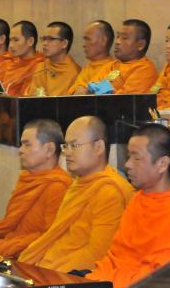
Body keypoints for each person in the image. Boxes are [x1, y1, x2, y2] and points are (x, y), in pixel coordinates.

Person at [87, 124, 170, 288]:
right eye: (128, 156)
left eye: (137, 158)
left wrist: (108, 286)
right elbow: (116, 257)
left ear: (162, 164)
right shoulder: (138, 200)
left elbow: (165, 278)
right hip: (117, 285)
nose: (128, 164)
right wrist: (94, 283)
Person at [18, 116, 134, 273]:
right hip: (49, 265)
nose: (67, 153)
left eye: (74, 145)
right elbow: (59, 237)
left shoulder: (109, 192)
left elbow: (98, 255)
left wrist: (50, 273)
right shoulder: (78, 185)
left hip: (68, 274)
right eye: (66, 146)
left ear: (98, 147)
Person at [0, 119, 71, 257]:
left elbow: (50, 238)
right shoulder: (28, 179)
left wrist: (3, 246)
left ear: (49, 149)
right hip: (12, 248)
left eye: (27, 145)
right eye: (21, 144)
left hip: (32, 258)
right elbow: (11, 225)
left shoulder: (58, 187)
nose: (20, 150)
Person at [27, 22, 81, 96]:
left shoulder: (74, 73)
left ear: (64, 43)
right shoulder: (41, 68)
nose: (45, 43)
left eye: (51, 39)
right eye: (44, 39)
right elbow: (31, 97)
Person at [0, 21, 44, 95]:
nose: (11, 45)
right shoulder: (7, 64)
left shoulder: (40, 67)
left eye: (16, 40)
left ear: (30, 41)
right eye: (10, 40)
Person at [108, 19, 158, 94]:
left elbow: (125, 99)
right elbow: (90, 89)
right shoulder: (112, 65)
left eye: (124, 38)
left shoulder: (144, 70)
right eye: (117, 36)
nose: (117, 42)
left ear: (140, 45)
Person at [69, 20, 115, 95]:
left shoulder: (114, 69)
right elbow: (74, 92)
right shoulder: (87, 69)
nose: (84, 45)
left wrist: (85, 91)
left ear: (103, 41)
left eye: (88, 39)